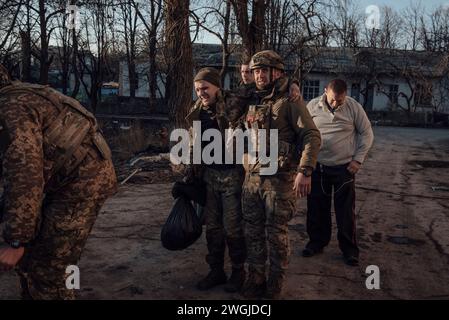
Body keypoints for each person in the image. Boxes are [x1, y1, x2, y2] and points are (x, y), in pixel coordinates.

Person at [0, 64, 117, 299]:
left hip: (83, 183)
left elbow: (25, 176)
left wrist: (15, 241)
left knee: (47, 268)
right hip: (67, 177)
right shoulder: (16, 96)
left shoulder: (10, 108)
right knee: (33, 258)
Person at [240, 50, 321, 299]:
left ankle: (275, 284)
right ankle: (255, 278)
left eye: (264, 70)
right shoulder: (250, 98)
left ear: (277, 73)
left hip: (279, 180)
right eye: (256, 71)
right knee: (252, 232)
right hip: (252, 179)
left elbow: (311, 135)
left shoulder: (289, 100)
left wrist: (305, 170)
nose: (260, 75)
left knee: (276, 234)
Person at [185, 67, 246, 293]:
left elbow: (260, 93)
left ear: (217, 86)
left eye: (205, 88)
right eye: (198, 89)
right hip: (210, 177)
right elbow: (194, 142)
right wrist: (191, 172)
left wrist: (292, 86)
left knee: (233, 228)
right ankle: (216, 271)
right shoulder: (197, 109)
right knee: (213, 228)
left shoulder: (234, 102)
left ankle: (239, 272)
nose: (201, 93)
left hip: (232, 176)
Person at [303, 79, 374, 266]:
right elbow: (302, 133)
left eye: (340, 100)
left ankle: (349, 250)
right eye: (334, 100)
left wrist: (358, 159)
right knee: (316, 209)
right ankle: (316, 243)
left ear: (346, 95)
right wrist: (304, 164)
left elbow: (367, 133)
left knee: (345, 212)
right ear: (325, 91)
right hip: (318, 167)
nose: (336, 104)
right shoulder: (312, 106)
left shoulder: (353, 107)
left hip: (344, 168)